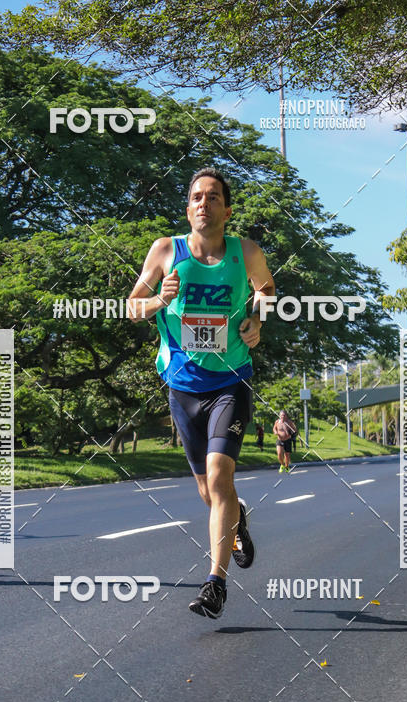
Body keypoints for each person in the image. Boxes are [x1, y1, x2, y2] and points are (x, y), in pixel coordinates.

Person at [127, 167, 276, 619]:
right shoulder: (164, 251)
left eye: (212, 197)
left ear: (227, 210)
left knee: (219, 475)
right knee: (209, 494)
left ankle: (215, 583)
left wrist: (257, 319)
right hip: (182, 386)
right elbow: (132, 307)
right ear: (188, 208)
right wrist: (158, 299)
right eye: (196, 197)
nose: (203, 203)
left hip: (230, 381)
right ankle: (237, 522)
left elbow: (267, 288)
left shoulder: (245, 251)